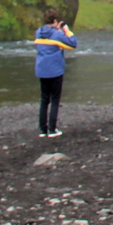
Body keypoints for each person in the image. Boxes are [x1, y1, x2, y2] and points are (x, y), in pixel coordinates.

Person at [34, 10, 78, 138]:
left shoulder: (38, 32)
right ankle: (52, 130)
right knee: (55, 99)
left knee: (44, 99)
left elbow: (48, 41)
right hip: (55, 70)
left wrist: (56, 31)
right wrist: (66, 30)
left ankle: (43, 130)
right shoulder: (56, 34)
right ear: (55, 21)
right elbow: (72, 43)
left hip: (41, 69)